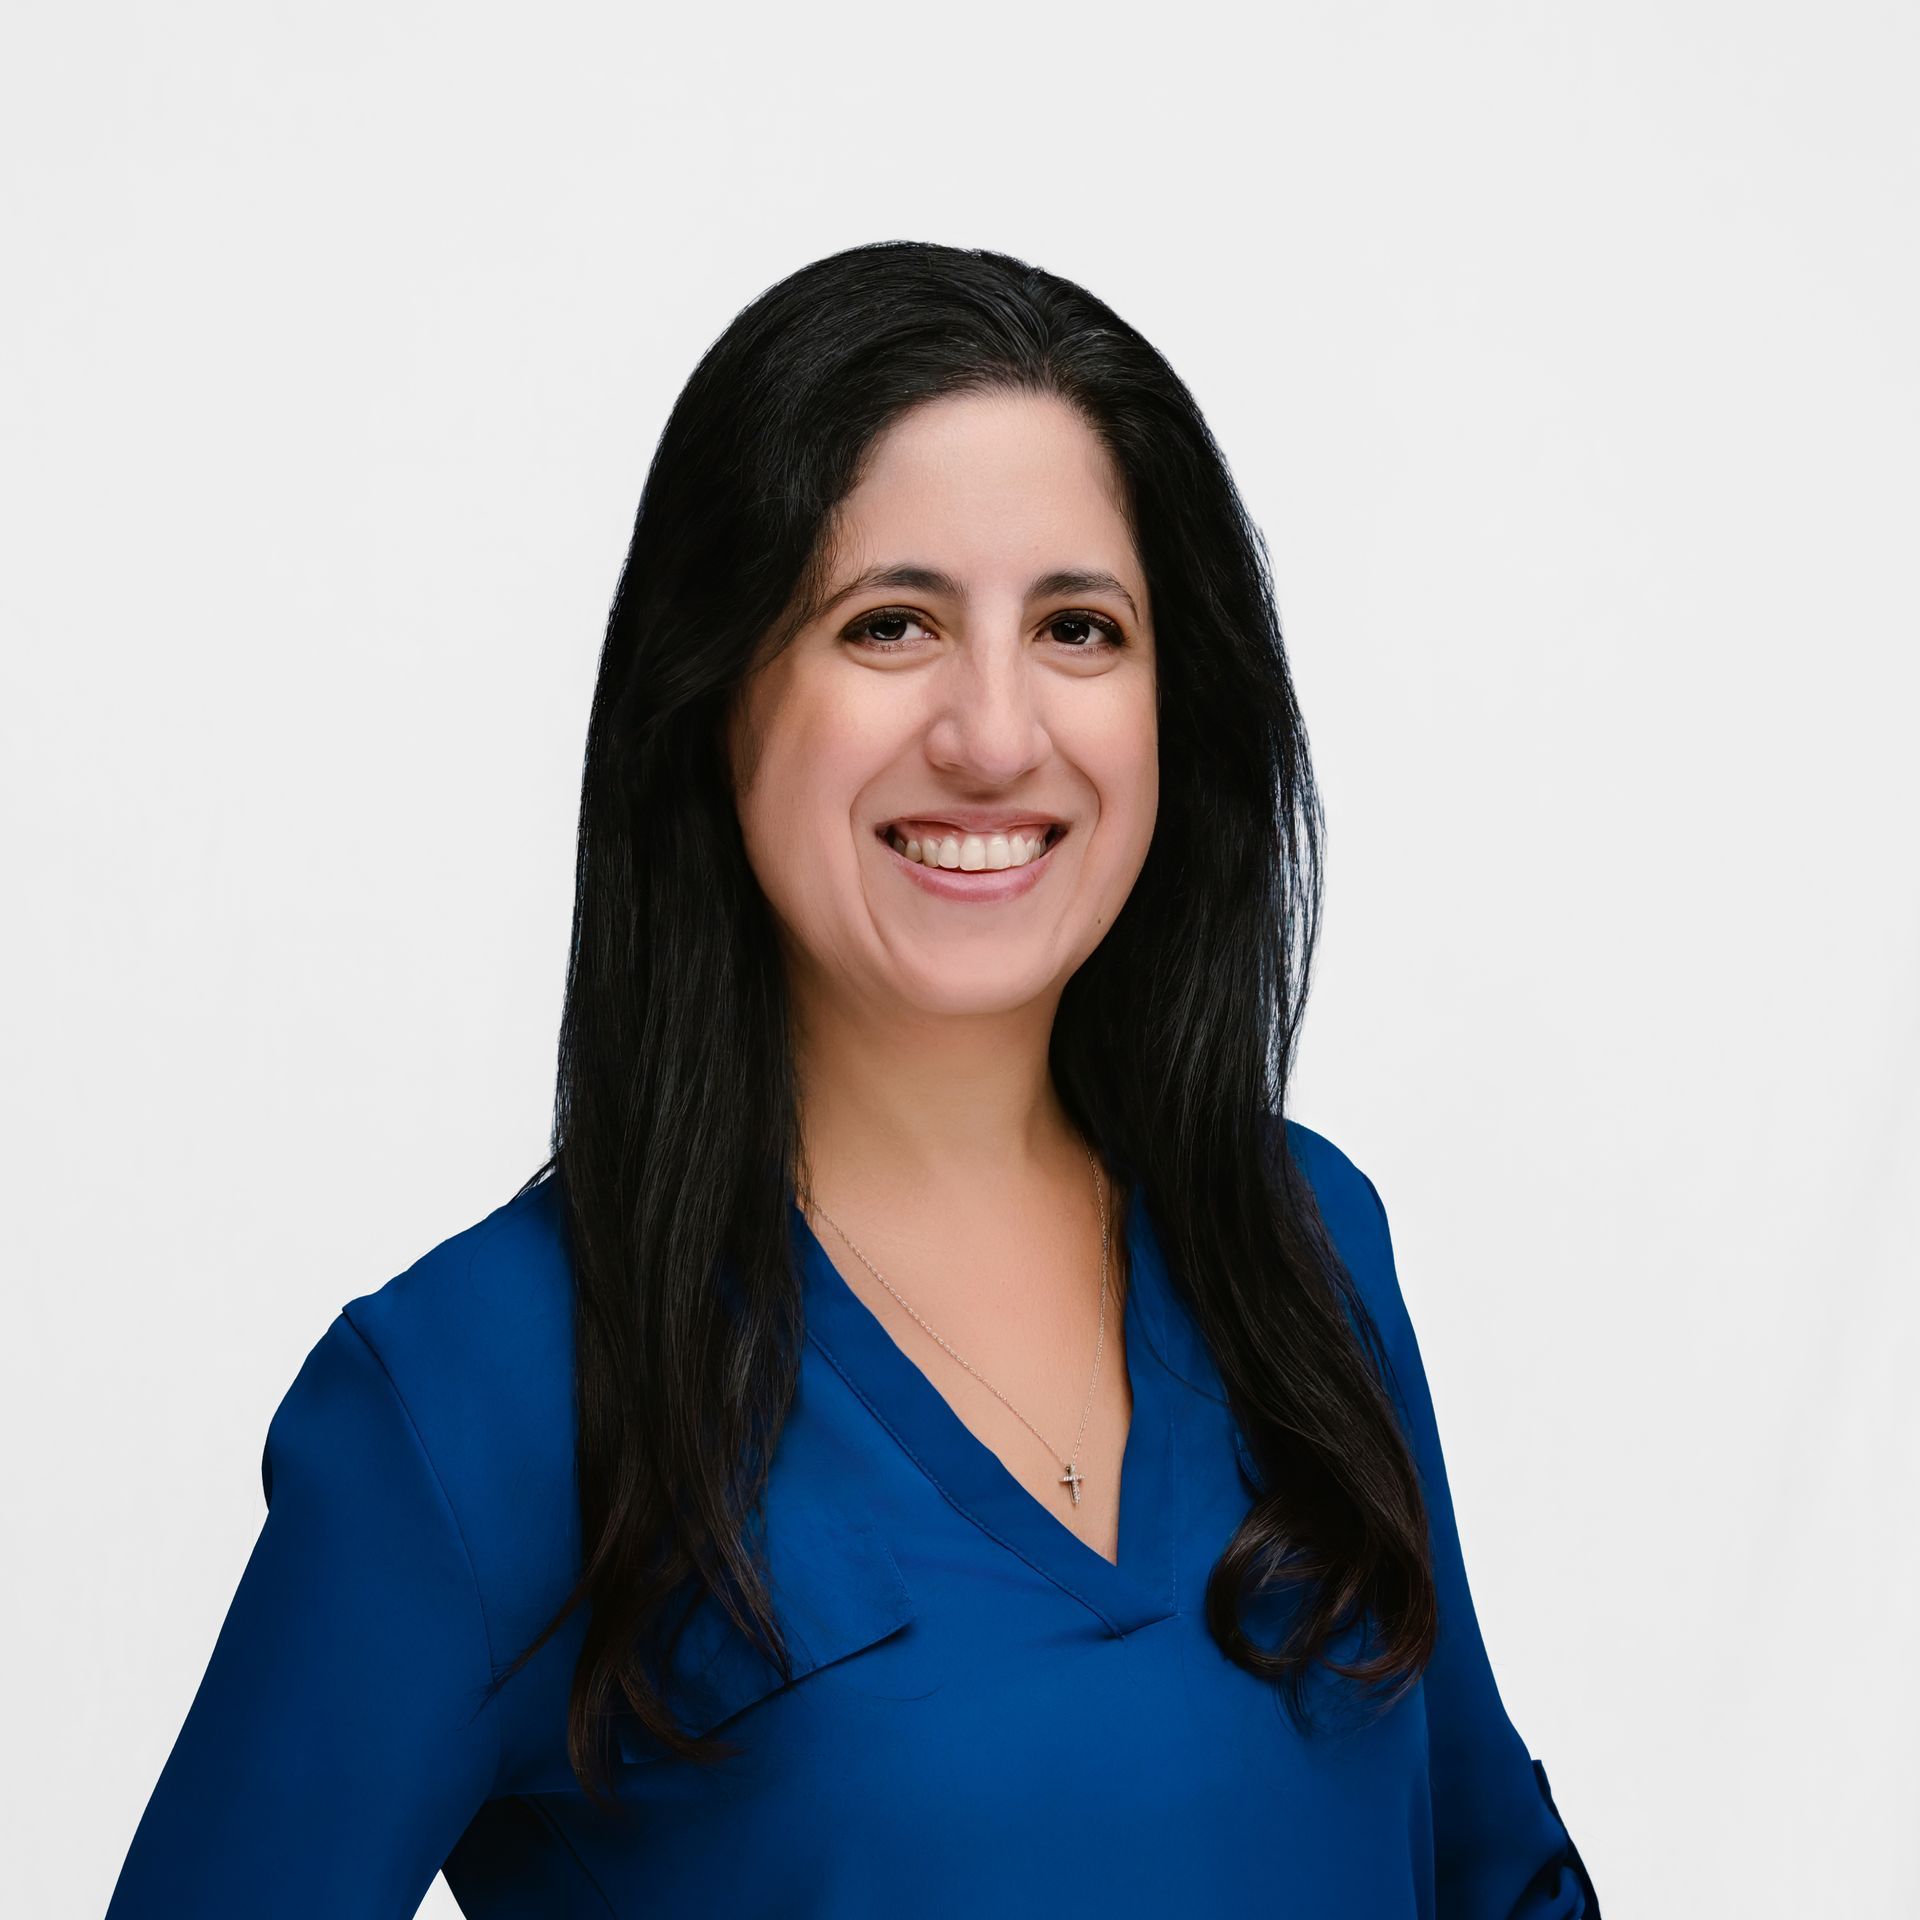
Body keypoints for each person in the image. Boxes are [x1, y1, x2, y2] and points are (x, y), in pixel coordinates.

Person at [106, 240, 1601, 1917]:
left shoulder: (1303, 1241)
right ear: (715, 694)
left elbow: (1497, 1882)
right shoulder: (481, 1401)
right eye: (887, 624)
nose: (991, 731)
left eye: (1079, 628)